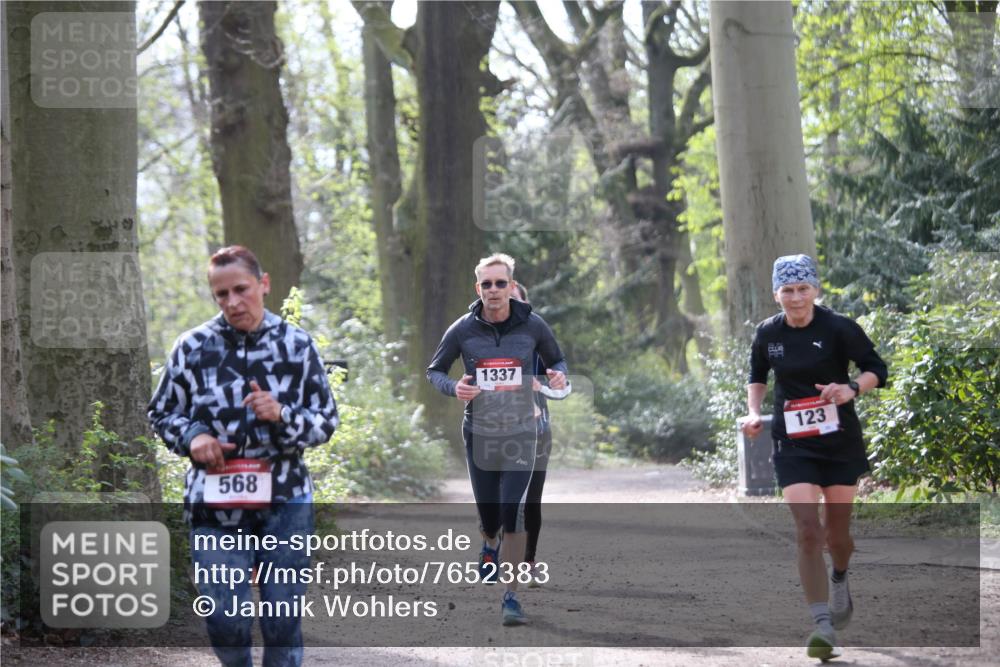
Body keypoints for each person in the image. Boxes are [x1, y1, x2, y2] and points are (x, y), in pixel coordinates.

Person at [149, 245, 339, 667]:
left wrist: (283, 414)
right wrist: (193, 436)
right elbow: (161, 412)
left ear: (263, 284)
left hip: (285, 501)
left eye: (241, 289)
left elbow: (326, 421)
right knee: (224, 617)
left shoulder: (297, 346)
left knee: (281, 618)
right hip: (215, 504)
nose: (233, 302)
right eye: (221, 294)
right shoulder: (192, 347)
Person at [740, 254, 888, 661]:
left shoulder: (839, 327)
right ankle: (822, 625)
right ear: (776, 294)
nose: (796, 297)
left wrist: (851, 389)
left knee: (837, 538)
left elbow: (877, 367)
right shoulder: (767, 333)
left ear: (815, 290)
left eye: (803, 289)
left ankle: (840, 576)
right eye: (787, 290)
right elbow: (757, 374)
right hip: (794, 444)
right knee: (808, 531)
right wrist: (754, 412)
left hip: (839, 443)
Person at [426, 253, 568, 626]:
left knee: (514, 511)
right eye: (486, 284)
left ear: (511, 286)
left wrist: (557, 378)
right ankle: (488, 540)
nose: (493, 290)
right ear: (478, 288)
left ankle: (511, 597)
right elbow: (435, 371)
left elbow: (559, 362)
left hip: (523, 432)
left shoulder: (533, 325)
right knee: (491, 516)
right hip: (480, 434)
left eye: (500, 283)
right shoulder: (462, 330)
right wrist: (453, 387)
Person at [510, 283, 571, 586]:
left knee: (531, 499)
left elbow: (564, 387)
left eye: (515, 302)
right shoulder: (479, 342)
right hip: (494, 433)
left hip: (537, 430)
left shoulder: (537, 337)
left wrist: (544, 386)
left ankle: (528, 562)